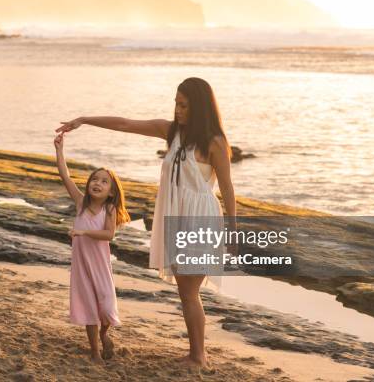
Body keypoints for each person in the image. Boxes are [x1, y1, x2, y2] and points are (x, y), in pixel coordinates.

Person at [55, 77, 237, 368]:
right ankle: (196, 353)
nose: (177, 110)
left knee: (190, 291)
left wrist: (233, 230)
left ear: (200, 107)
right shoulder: (171, 132)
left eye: (184, 105)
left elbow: (227, 188)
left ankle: (198, 356)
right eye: (176, 103)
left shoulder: (215, 142)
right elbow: (126, 124)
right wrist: (84, 120)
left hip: (200, 218)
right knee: (186, 291)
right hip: (176, 216)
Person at [54, 131, 131, 364]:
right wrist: (59, 151)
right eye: (94, 179)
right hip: (82, 267)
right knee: (88, 308)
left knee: (106, 307)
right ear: (88, 185)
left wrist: (83, 232)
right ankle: (95, 352)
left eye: (104, 181)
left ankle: (104, 334)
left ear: (112, 191)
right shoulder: (80, 202)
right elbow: (64, 175)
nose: (97, 183)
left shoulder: (109, 209)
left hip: (100, 266)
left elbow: (109, 234)